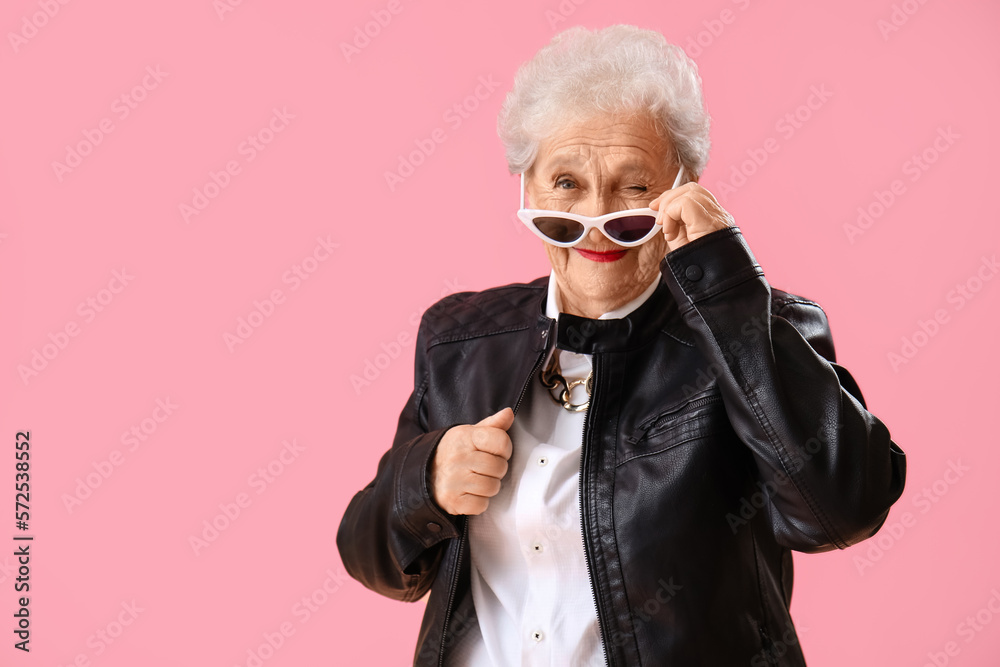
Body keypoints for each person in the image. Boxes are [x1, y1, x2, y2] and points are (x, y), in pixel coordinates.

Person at [337, 24, 906, 666]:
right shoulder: (462, 340)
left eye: (635, 187)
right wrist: (428, 481)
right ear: (526, 188)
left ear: (684, 187)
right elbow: (370, 557)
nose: (595, 219)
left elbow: (842, 509)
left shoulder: (753, 328)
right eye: (566, 183)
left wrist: (728, 287)